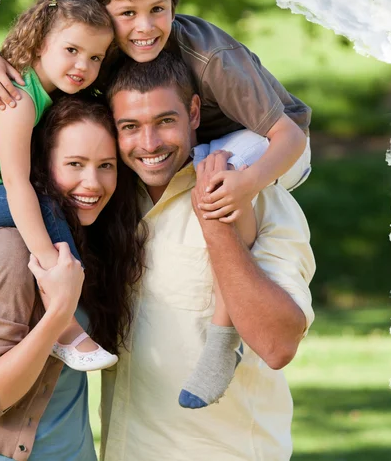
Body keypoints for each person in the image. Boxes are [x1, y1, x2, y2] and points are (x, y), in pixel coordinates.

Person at [0, 0, 313, 407]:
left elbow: (289, 137)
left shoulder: (210, 55)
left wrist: (244, 185)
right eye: (127, 14)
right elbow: (41, 51)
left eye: (158, 9)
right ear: (101, 14)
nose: (145, 27)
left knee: (219, 179)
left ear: (175, 5)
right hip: (184, 144)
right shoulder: (100, 52)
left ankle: (222, 339)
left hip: (269, 140)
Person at [100, 50, 315, 460]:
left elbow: (277, 343)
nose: (149, 144)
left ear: (194, 112)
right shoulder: (111, 203)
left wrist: (216, 226)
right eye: (130, 126)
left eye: (165, 121)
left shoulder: (262, 200)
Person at [0, 95, 147, 461]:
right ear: (43, 167)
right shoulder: (9, 249)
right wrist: (57, 316)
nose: (93, 182)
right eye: (74, 164)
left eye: (106, 165)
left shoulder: (84, 242)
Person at [0, 0, 118, 370]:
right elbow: (17, 185)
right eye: (72, 50)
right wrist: (56, 268)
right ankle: (64, 321)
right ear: (40, 42)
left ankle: (68, 302)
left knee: (47, 203)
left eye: (95, 57)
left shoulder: (42, 90)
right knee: (46, 205)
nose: (83, 65)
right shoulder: (18, 101)